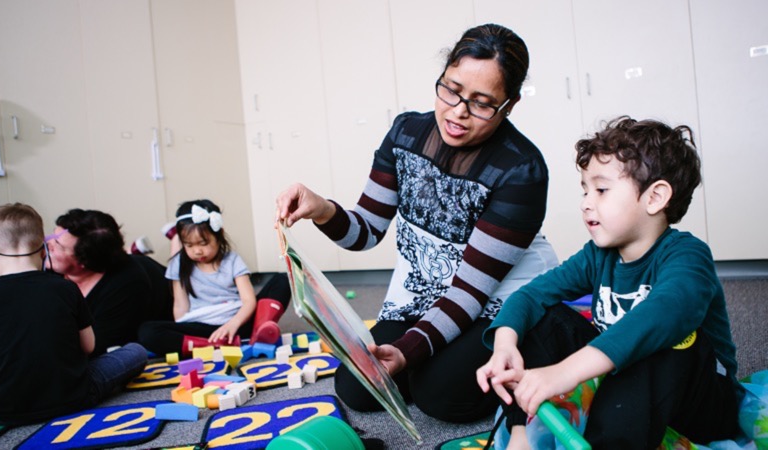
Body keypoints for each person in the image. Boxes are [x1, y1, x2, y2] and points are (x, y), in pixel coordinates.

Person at [276, 23, 559, 423]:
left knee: (441, 398)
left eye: (482, 103)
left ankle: (542, 347)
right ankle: (441, 362)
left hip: (494, 301)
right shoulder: (406, 133)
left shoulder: (520, 169)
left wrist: (408, 351)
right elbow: (366, 231)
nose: (458, 111)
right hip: (427, 290)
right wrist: (321, 208)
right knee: (357, 388)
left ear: (509, 105)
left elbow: (470, 293)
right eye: (451, 89)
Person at [476, 117, 743, 448]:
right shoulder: (597, 255)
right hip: (623, 387)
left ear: (655, 197)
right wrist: (505, 346)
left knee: (672, 341)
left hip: (700, 404)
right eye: (585, 190)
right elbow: (530, 296)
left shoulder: (688, 256)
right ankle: (520, 436)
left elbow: (664, 314)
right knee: (543, 318)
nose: (586, 202)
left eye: (601, 190)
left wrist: (565, 372)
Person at [0, 203, 147, 425]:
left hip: (1, 411)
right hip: (75, 398)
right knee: (136, 352)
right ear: (43, 250)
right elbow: (89, 347)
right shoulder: (66, 288)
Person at [138, 200, 291, 356]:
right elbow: (180, 306)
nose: (197, 251)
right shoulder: (178, 264)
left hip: (237, 322)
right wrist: (179, 331)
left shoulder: (232, 260)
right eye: (189, 245)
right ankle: (215, 346)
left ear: (219, 235)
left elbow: (249, 301)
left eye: (203, 243)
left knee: (282, 280)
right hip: (202, 328)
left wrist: (232, 324)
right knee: (147, 331)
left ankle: (260, 330)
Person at [47, 208, 169, 357]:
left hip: (148, 336)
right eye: (53, 235)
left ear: (84, 261)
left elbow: (95, 348)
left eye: (57, 245)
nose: (47, 243)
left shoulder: (127, 284)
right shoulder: (49, 272)